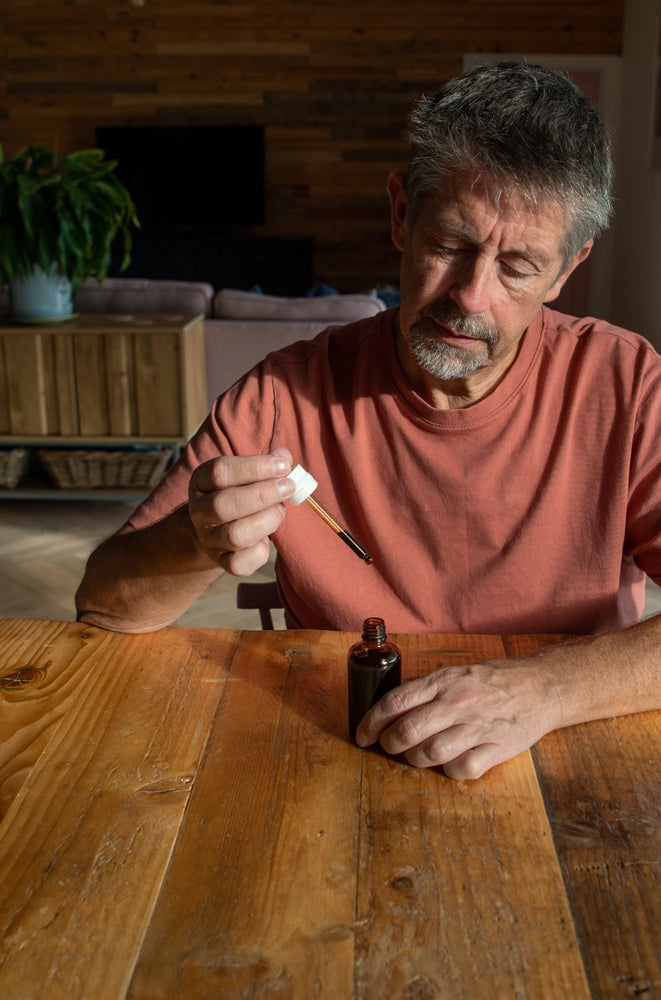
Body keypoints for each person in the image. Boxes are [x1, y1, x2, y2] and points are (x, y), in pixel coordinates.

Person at [76, 62, 661, 780]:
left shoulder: (628, 386)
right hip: (341, 752)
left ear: (568, 269)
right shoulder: (285, 395)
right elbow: (105, 606)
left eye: (517, 267)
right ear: (400, 214)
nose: (471, 296)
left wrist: (541, 691)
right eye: (450, 244)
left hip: (566, 759)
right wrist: (192, 539)